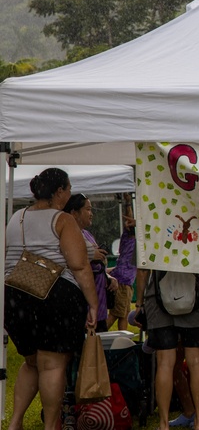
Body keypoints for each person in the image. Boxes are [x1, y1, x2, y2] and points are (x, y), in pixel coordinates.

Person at [4, 168, 99, 430]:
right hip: (54, 297)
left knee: (31, 362)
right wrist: (92, 303)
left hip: (14, 296)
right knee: (52, 365)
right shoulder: (63, 220)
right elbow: (79, 266)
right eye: (68, 188)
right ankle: (51, 426)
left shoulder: (16, 217)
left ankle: (14, 423)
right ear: (59, 192)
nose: (70, 193)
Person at [135, 267, 199, 430]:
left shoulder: (151, 238)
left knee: (164, 363)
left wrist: (140, 302)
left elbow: (143, 269)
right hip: (196, 296)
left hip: (158, 299)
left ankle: (164, 423)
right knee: (197, 361)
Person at [64, 193, 117, 332]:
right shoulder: (66, 235)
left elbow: (96, 267)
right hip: (81, 307)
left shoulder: (87, 234)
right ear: (74, 213)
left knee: (98, 346)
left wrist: (108, 278)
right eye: (87, 209)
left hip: (98, 305)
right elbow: (69, 264)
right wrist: (90, 256)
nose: (91, 213)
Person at [108, 193, 137, 331]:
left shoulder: (131, 238)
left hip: (126, 281)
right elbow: (130, 218)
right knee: (115, 314)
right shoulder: (130, 236)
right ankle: (96, 335)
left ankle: (122, 343)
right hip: (123, 281)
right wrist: (128, 202)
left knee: (123, 314)